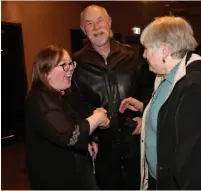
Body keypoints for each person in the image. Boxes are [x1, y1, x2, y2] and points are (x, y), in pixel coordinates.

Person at [119, 16, 201, 190]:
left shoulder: (196, 85)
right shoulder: (168, 75)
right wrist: (144, 107)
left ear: (164, 50)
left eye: (146, 48)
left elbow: (196, 162)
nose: (144, 55)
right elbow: (174, 109)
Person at [70, 5, 155, 190]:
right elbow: (74, 104)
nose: (96, 27)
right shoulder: (76, 63)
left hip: (135, 144)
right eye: (89, 24)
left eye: (100, 20)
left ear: (109, 21)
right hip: (101, 149)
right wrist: (89, 136)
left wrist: (144, 115)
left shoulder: (133, 56)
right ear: (83, 29)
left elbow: (150, 90)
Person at [25, 45, 110, 190]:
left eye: (71, 63)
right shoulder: (39, 99)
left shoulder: (64, 93)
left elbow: (77, 121)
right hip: (55, 179)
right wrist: (97, 118)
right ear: (46, 72)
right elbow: (71, 136)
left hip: (76, 172)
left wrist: (90, 139)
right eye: (64, 65)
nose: (70, 68)